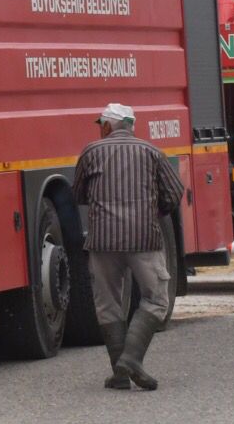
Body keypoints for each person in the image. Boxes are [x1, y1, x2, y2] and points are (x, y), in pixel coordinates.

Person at [72, 102, 186, 391]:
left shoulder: (90, 152)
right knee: (156, 298)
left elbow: (79, 194)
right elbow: (174, 194)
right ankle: (132, 359)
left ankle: (120, 373)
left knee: (108, 303)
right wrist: (152, 212)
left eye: (102, 124)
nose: (100, 128)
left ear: (109, 126)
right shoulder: (151, 153)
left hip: (102, 240)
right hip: (143, 239)